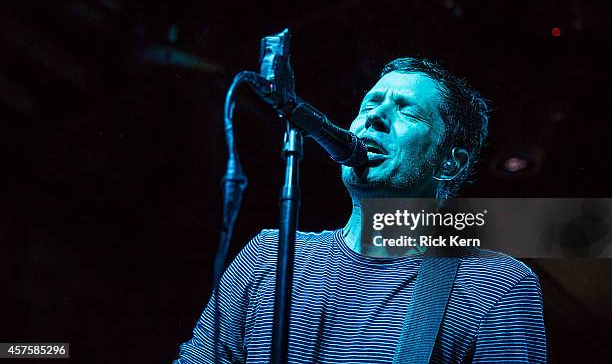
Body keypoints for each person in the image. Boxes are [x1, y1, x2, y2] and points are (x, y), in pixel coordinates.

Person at [173, 58, 547, 363]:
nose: (375, 117)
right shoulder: (268, 256)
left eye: (407, 112)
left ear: (450, 163)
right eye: (370, 104)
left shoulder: (496, 285)